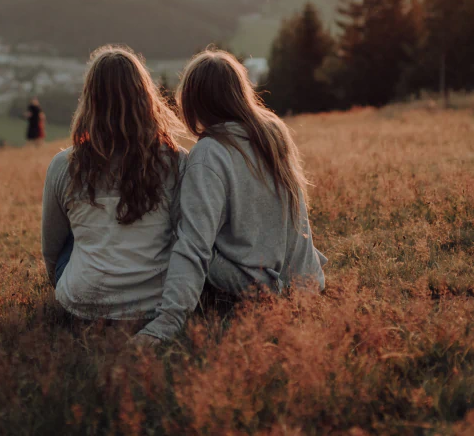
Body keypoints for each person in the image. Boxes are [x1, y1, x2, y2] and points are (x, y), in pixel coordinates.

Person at [137, 49, 327, 342]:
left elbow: (193, 247)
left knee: (177, 230)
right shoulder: (273, 130)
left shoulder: (209, 153)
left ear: (194, 101)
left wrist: (167, 322)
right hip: (305, 283)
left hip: (258, 288)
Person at [41, 45, 189, 323]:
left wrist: (65, 288)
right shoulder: (176, 161)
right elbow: (184, 237)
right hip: (155, 304)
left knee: (70, 235)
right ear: (146, 98)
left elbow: (51, 250)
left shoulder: (64, 165)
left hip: (84, 305)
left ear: (89, 101)